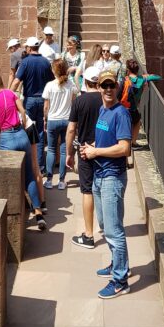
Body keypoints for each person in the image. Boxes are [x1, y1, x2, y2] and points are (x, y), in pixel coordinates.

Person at [79, 72, 136, 298]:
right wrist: (91, 147)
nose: (109, 89)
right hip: (99, 174)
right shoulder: (103, 110)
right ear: (99, 88)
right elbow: (105, 138)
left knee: (114, 231)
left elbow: (124, 148)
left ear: (117, 87)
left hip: (112, 177)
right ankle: (118, 264)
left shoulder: (120, 113)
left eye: (112, 85)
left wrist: (96, 152)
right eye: (105, 86)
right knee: (105, 225)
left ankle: (120, 281)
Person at [0, 71, 45, 225]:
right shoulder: (10, 93)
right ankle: (38, 213)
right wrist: (21, 125)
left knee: (6, 176)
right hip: (22, 136)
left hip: (7, 139)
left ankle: (10, 217)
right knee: (29, 175)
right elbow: (22, 111)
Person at [67, 69, 104, 242]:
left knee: (87, 191)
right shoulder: (106, 99)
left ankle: (89, 235)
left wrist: (69, 153)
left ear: (86, 81)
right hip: (105, 148)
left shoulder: (79, 101)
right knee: (104, 188)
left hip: (84, 151)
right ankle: (106, 225)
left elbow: (71, 129)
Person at [42, 58, 74, 189]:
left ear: (54, 70)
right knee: (63, 150)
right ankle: (61, 181)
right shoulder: (70, 84)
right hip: (66, 120)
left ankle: (49, 180)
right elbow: (73, 102)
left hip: (53, 119)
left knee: (51, 149)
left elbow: (46, 107)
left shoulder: (49, 85)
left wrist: (45, 119)